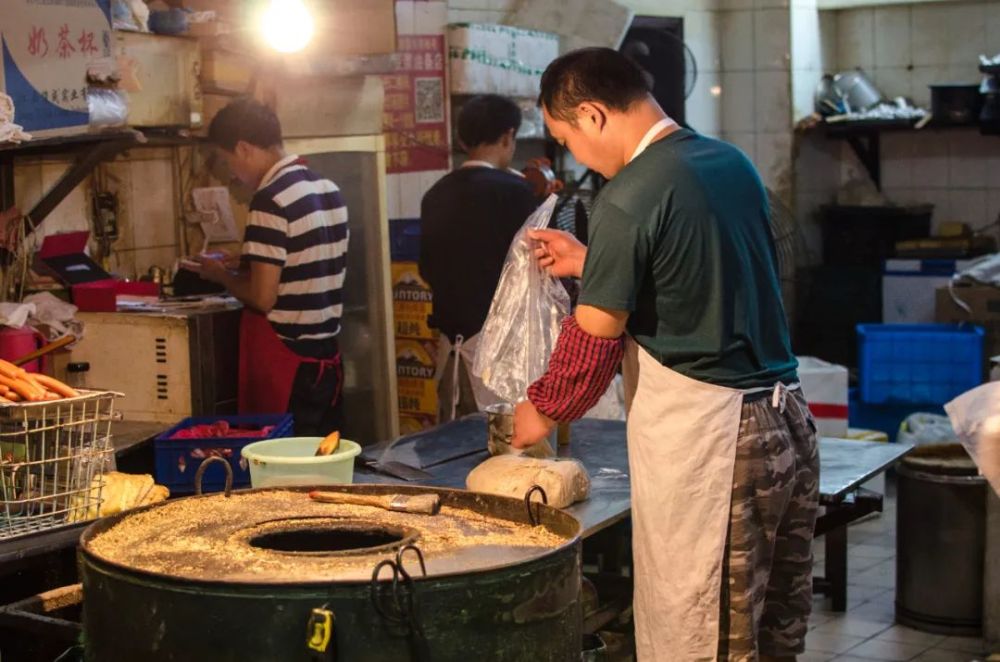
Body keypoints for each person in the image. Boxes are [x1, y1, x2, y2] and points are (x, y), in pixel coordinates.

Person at [511, 48, 819, 661]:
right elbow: (697, 266)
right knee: (772, 628)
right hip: (785, 423)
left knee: (705, 637)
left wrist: (537, 412)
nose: (573, 154)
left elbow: (592, 346)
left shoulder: (628, 194)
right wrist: (592, 261)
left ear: (593, 115)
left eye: (566, 136)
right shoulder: (726, 162)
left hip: (716, 443)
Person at [186, 98, 348, 436]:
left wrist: (221, 275)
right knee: (321, 467)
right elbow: (304, 265)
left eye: (229, 161)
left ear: (243, 148)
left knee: (284, 475)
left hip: (288, 369)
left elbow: (262, 297)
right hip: (326, 362)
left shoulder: (270, 198)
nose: (233, 174)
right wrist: (247, 261)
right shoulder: (327, 189)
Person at [419, 94, 539, 422]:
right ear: (508, 136)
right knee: (508, 457)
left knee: (456, 452)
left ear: (461, 138)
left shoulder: (435, 194)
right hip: (503, 355)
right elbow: (537, 273)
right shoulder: (517, 193)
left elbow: (426, 268)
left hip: (451, 351)